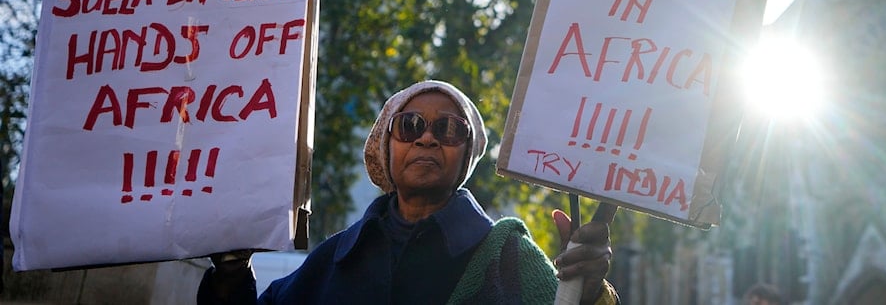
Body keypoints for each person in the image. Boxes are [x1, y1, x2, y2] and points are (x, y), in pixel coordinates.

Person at [198, 79, 618, 304]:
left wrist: (588, 289)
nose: (427, 140)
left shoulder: (508, 256)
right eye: (411, 126)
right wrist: (231, 275)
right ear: (387, 145)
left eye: (449, 129)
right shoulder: (337, 257)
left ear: (465, 155)